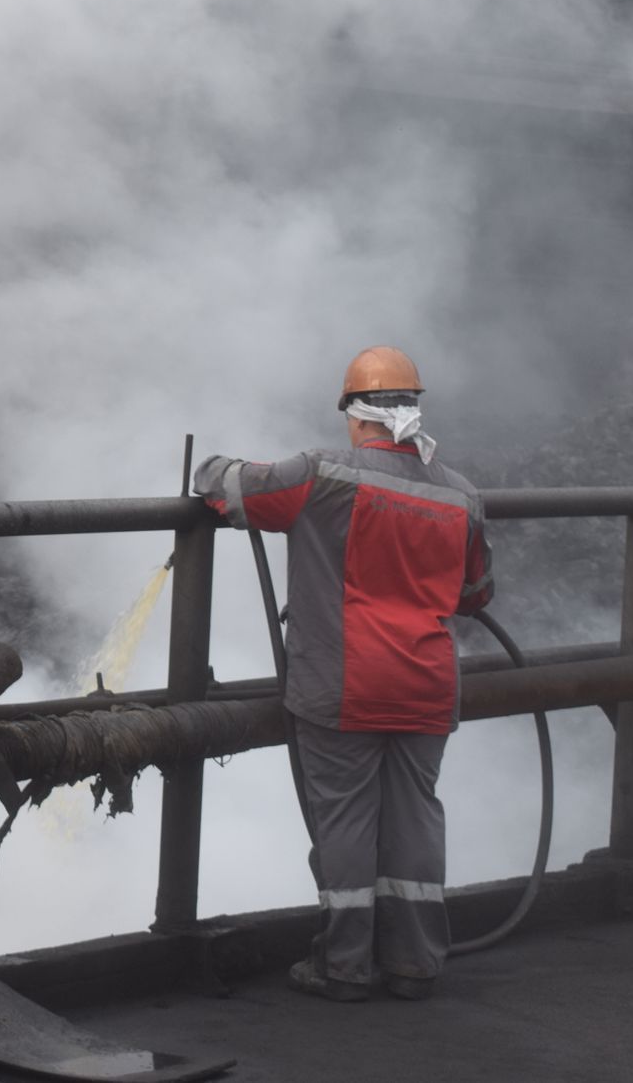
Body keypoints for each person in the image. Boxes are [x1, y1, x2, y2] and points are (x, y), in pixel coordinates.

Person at [191, 346, 493, 1003]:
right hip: (427, 685)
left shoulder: (323, 475)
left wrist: (208, 465)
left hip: (346, 683)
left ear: (354, 415)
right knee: (415, 820)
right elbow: (475, 594)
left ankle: (347, 966)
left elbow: (229, 488)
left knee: (346, 822)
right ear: (412, 410)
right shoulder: (461, 495)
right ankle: (414, 962)